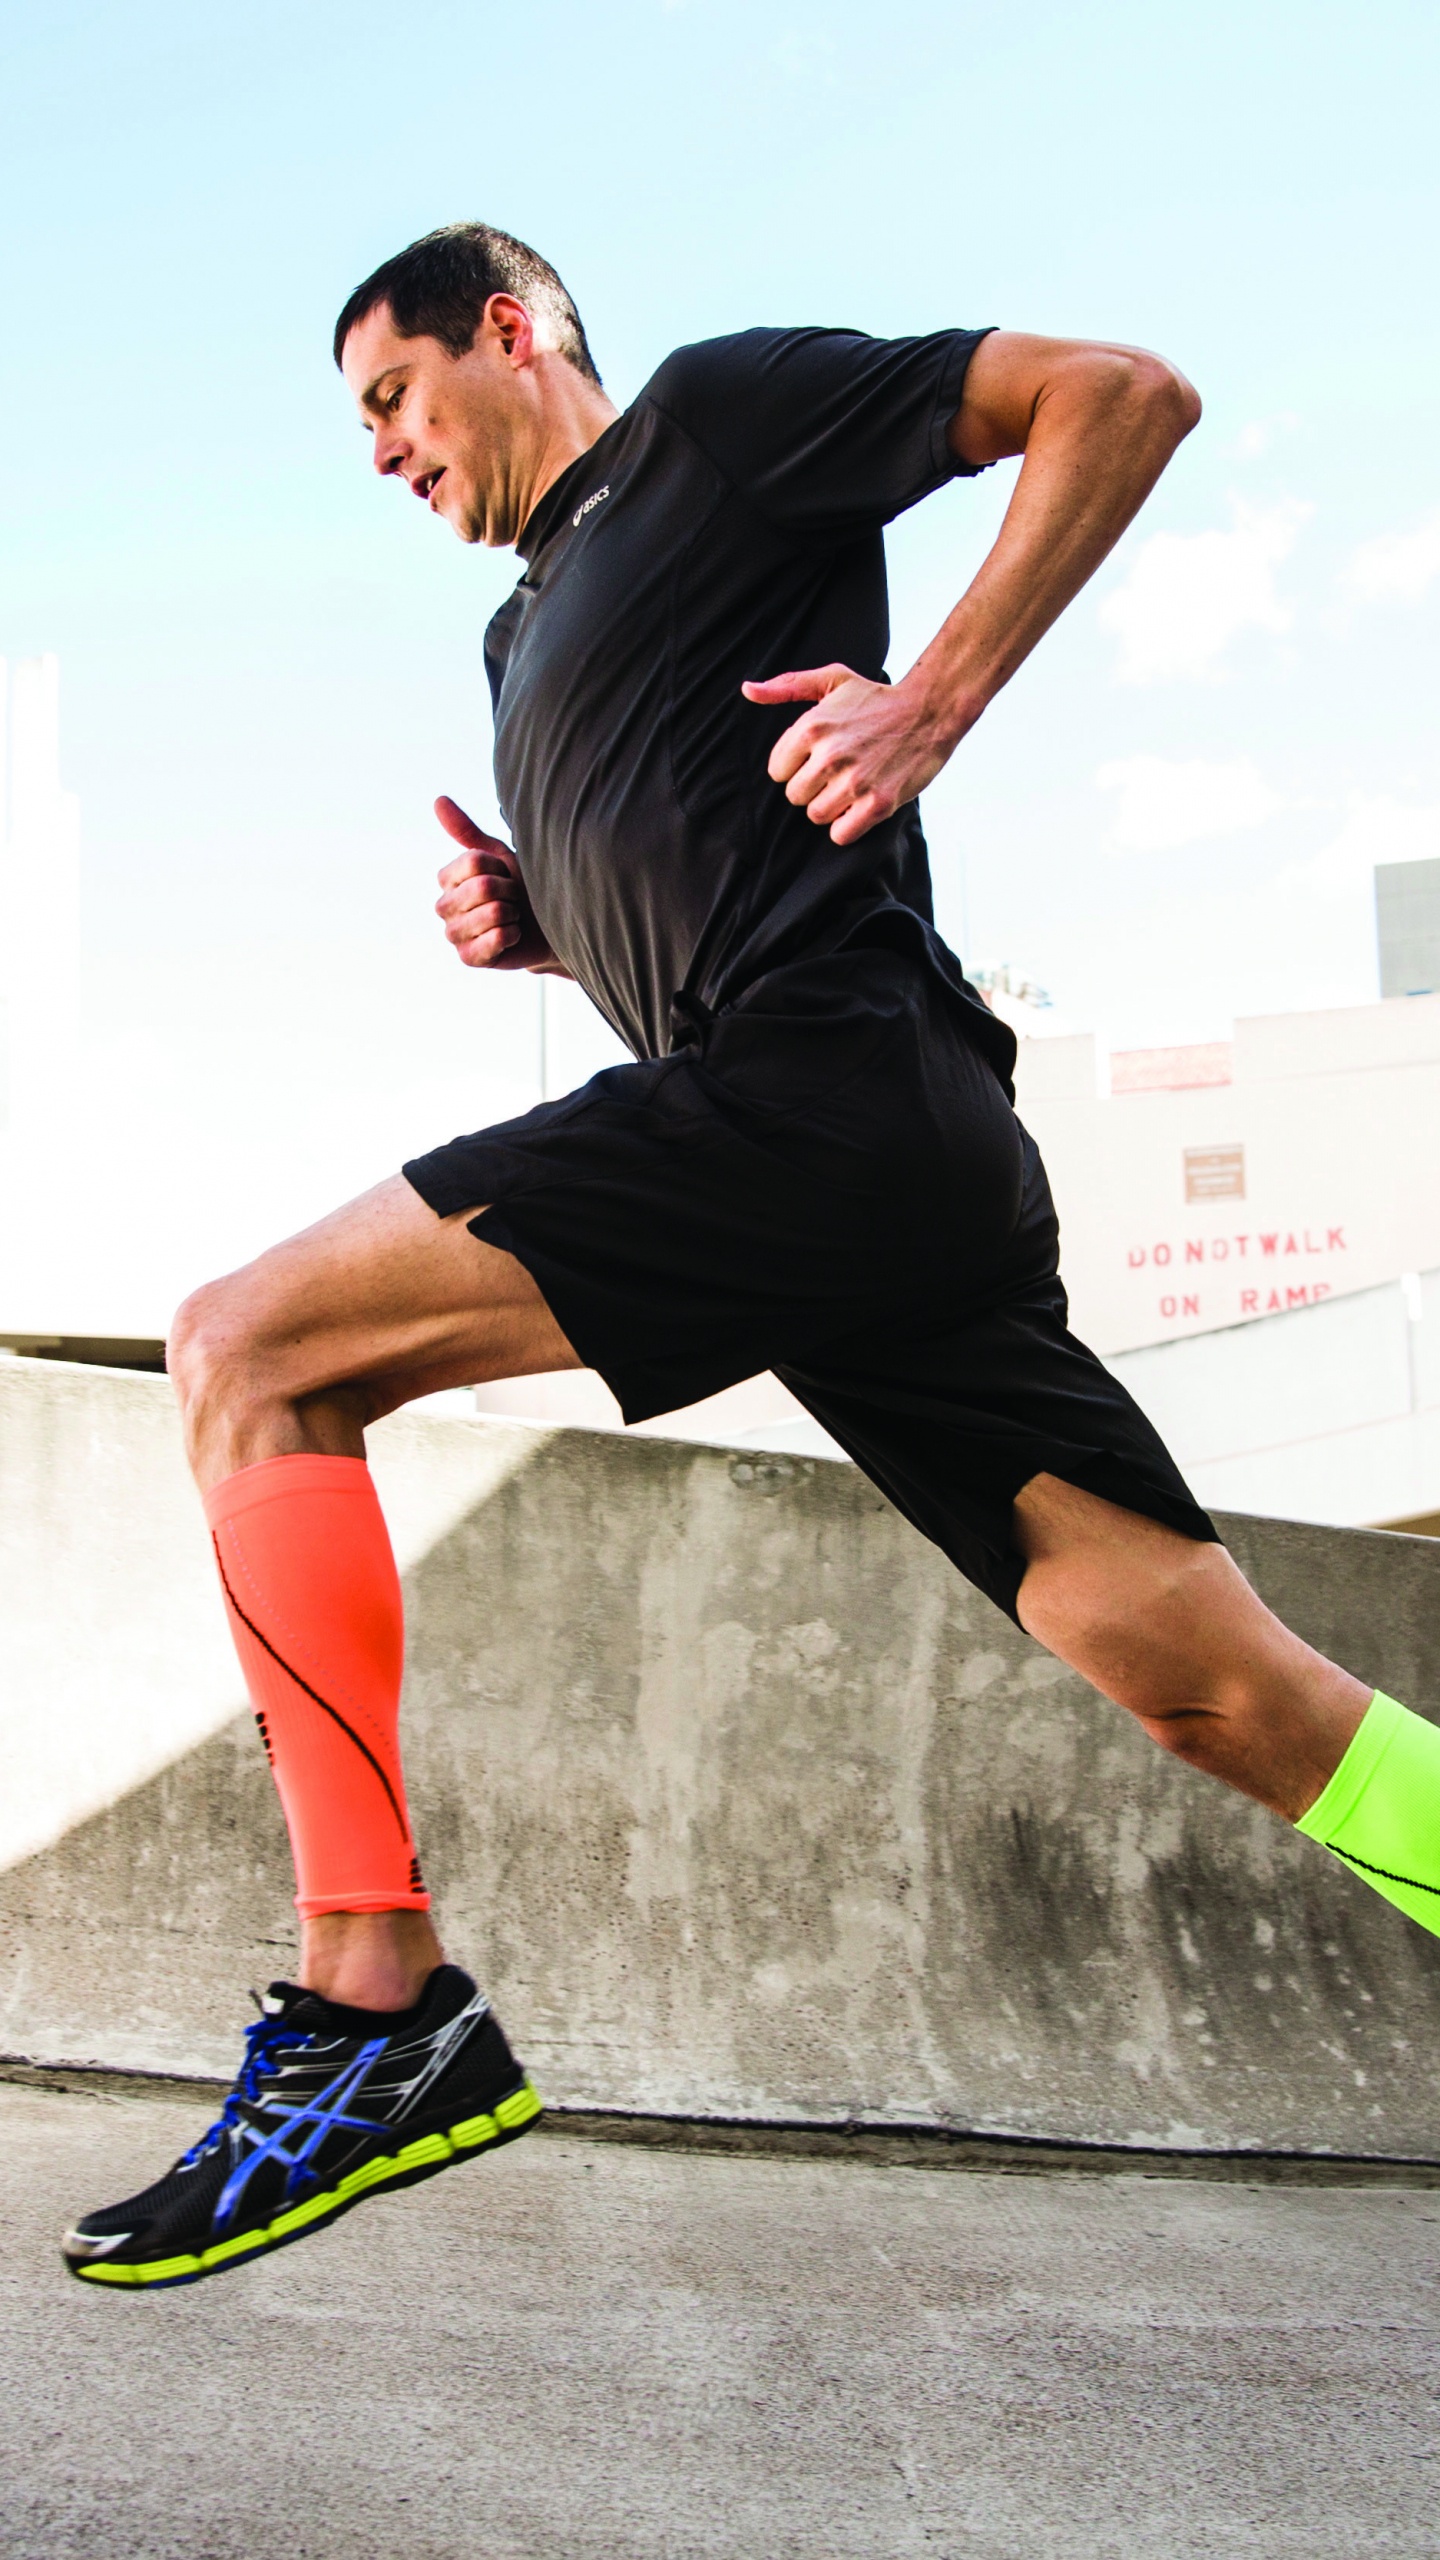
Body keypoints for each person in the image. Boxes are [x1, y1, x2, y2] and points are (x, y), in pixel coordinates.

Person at [65, 223, 1440, 2291]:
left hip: (833, 1093)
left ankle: (372, 2011)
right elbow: (699, 875)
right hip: (868, 1175)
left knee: (252, 1349)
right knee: (1220, 1690)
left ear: (510, 333)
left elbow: (1117, 395)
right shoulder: (519, 642)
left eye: (389, 398)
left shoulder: (713, 426)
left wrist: (933, 703)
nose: (378, 455)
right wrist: (554, 920)